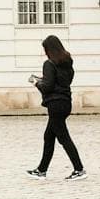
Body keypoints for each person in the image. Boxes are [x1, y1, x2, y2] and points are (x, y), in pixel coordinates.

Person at [27, 33, 83, 179]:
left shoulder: (49, 64)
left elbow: (48, 87)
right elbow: (61, 82)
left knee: (64, 138)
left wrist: (36, 82)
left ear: (49, 50)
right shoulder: (67, 63)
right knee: (49, 136)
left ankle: (79, 169)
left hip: (55, 104)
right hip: (65, 103)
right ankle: (42, 169)